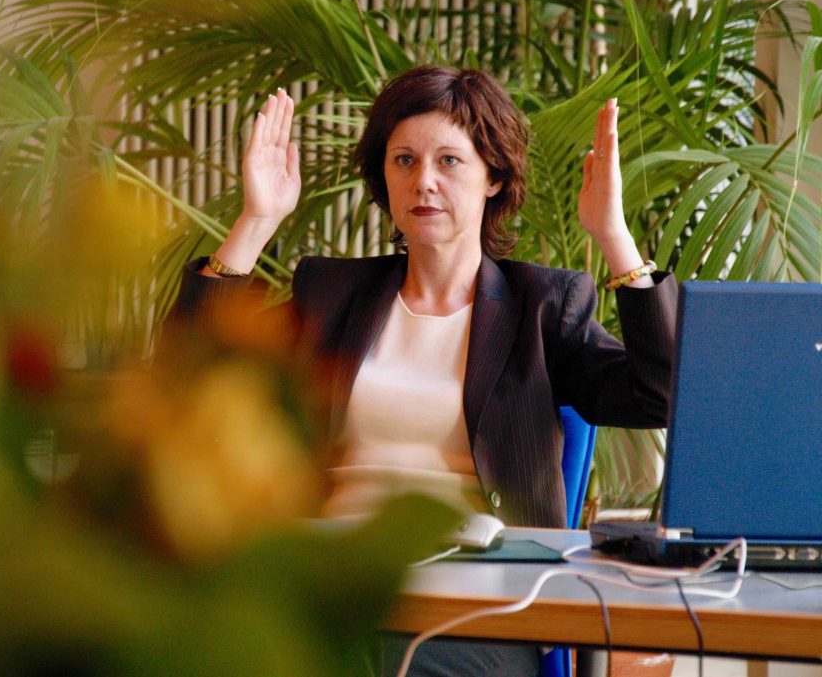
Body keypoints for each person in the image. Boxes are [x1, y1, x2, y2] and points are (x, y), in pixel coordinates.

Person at [171, 66, 676, 676]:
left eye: (449, 161)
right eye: (404, 161)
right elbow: (189, 373)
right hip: (331, 586)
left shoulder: (541, 305)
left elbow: (659, 397)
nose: (424, 182)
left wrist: (614, 237)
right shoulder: (331, 292)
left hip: (481, 603)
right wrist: (256, 221)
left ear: (494, 176)